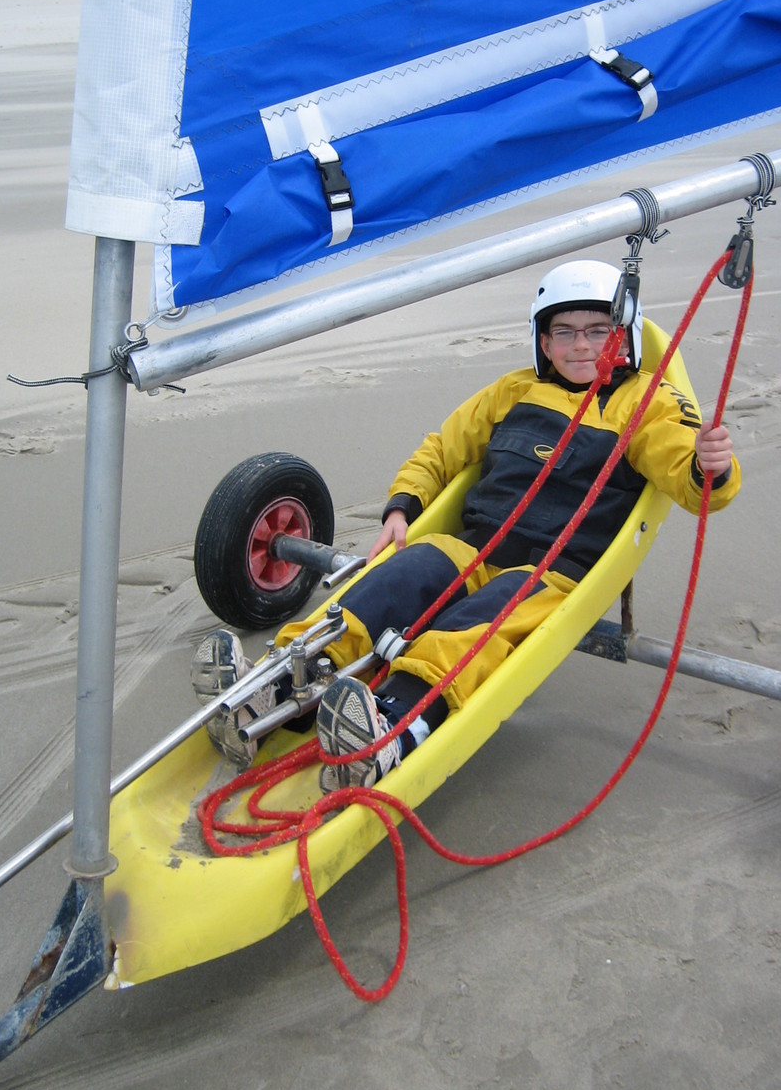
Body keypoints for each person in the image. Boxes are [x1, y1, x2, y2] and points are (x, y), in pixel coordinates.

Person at [192, 259, 740, 783]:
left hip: (552, 572)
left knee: (466, 629)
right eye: (565, 332)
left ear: (625, 336)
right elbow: (443, 449)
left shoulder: (646, 402)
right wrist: (403, 506)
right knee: (392, 581)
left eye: (598, 331)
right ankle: (278, 687)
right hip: (471, 548)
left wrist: (707, 466)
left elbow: (688, 475)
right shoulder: (515, 390)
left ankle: (388, 733)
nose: (581, 345)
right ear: (543, 342)